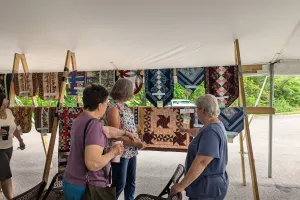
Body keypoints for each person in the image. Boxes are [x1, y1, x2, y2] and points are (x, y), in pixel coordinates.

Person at [63, 84, 135, 200]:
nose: (107, 107)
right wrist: (113, 152)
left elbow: (107, 131)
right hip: (86, 187)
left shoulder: (81, 119)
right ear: (100, 106)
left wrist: (125, 133)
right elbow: (93, 164)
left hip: (72, 182)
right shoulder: (94, 125)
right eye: (106, 103)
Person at [171, 94, 229, 200]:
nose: (196, 112)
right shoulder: (214, 125)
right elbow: (199, 132)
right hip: (208, 185)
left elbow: (202, 162)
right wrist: (186, 130)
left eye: (197, 109)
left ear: (201, 110)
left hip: (207, 188)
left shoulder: (211, 131)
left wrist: (180, 186)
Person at [103, 78, 146, 200]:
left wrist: (137, 136)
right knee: (119, 183)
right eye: (131, 90)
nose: (133, 92)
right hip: (120, 151)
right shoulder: (113, 108)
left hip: (131, 150)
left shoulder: (124, 106)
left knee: (130, 182)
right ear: (125, 90)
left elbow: (127, 127)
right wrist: (136, 143)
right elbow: (115, 135)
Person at [0, 93, 25, 200]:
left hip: (8, 147)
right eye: (3, 105)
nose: (5, 107)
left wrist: (20, 140)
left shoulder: (9, 112)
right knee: (6, 177)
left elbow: (14, 128)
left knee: (1, 174)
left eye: (6, 104)